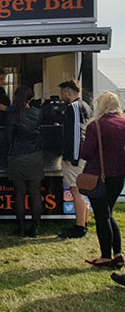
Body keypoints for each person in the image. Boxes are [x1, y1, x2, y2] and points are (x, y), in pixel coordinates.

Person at [79, 91, 125, 268]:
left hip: (98, 176)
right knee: (109, 213)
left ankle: (106, 256)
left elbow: (86, 153)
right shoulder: (123, 123)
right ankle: (118, 253)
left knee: (101, 215)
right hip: (119, 176)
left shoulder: (95, 126)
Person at [6, 86, 44, 237]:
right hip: (35, 155)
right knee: (35, 193)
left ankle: (20, 227)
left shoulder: (12, 115)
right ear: (30, 99)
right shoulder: (37, 113)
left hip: (17, 155)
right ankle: (35, 227)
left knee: (19, 193)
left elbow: (9, 138)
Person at [58, 79, 92, 239]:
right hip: (82, 156)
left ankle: (80, 227)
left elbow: (78, 134)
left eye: (62, 93)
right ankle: (83, 222)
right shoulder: (86, 106)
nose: (60, 96)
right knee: (82, 191)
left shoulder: (74, 107)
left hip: (76, 158)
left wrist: (73, 157)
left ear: (67, 93)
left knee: (75, 190)